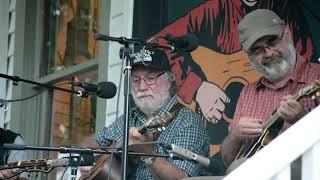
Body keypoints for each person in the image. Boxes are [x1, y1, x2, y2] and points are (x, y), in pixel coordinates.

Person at [79, 48, 209, 179]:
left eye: (150, 78)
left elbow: (181, 178)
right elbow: (93, 140)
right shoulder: (130, 117)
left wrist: (148, 153)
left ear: (170, 78)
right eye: (135, 80)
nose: (142, 87)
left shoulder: (187, 122)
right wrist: (88, 157)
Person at [220, 8, 320, 173]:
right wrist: (235, 136)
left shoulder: (316, 76)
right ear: (248, 55)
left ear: (287, 33)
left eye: (272, 41)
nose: (268, 53)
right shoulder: (248, 92)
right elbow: (228, 162)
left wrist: (303, 120)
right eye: (257, 49)